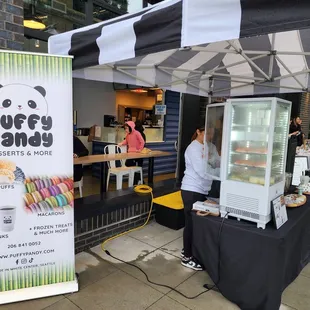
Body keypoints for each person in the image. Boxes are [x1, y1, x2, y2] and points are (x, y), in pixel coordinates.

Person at [181, 125, 220, 271]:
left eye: (212, 133)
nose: (209, 136)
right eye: (207, 133)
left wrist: (216, 167)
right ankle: (187, 257)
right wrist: (216, 170)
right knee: (191, 224)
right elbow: (201, 171)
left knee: (197, 224)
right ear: (198, 131)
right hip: (191, 189)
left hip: (204, 189)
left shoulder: (211, 147)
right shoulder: (193, 148)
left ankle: (189, 250)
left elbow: (218, 162)